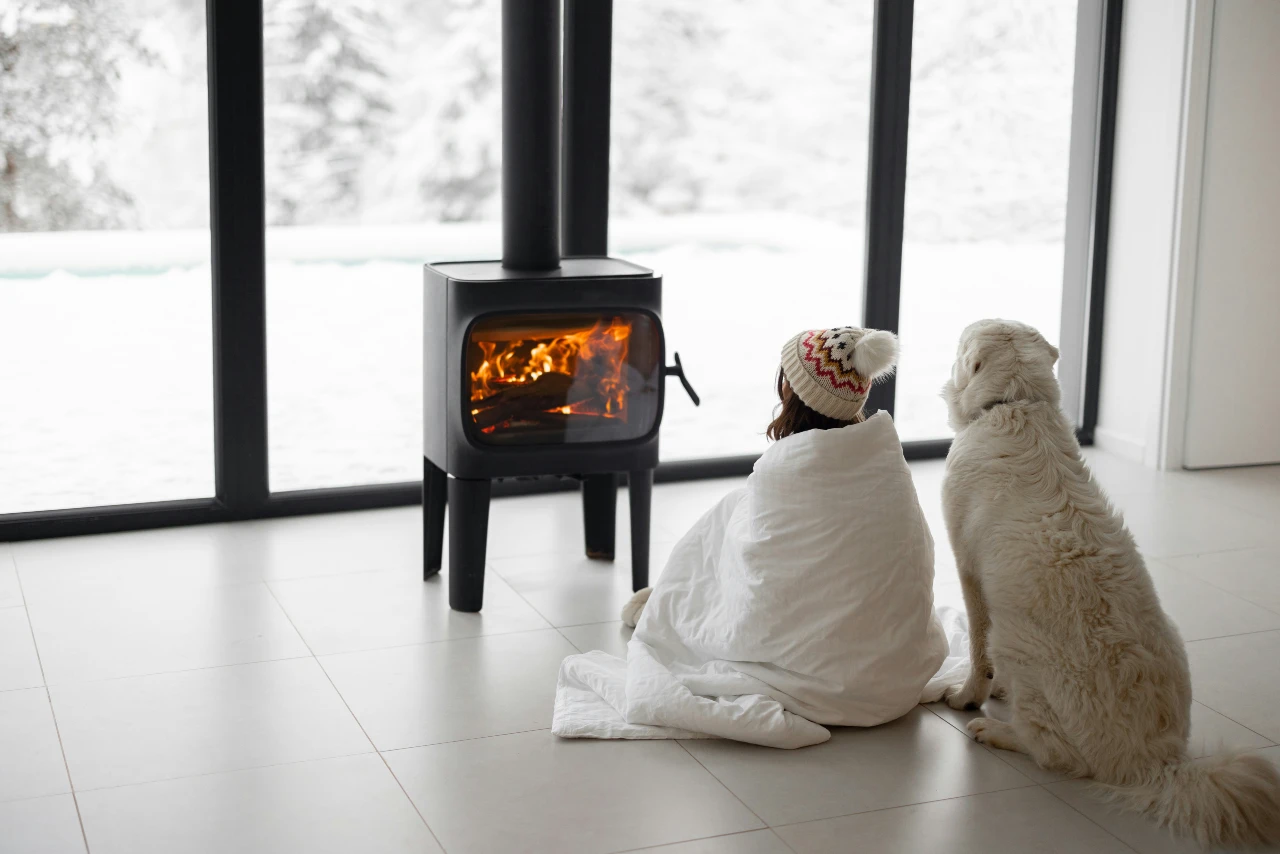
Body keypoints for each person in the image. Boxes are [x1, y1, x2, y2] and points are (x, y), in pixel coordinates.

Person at [553, 326, 965, 748]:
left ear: (792, 390)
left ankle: (671, 602)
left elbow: (759, 569)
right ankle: (671, 599)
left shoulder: (783, 471)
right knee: (743, 513)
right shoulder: (884, 462)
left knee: (729, 514)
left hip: (834, 686)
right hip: (897, 678)